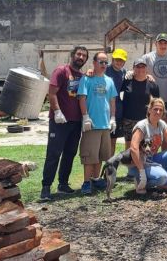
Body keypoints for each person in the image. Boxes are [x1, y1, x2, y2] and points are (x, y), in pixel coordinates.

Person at [40, 45, 89, 201]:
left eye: (84, 56)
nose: (81, 57)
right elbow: (52, 93)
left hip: (75, 122)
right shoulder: (61, 71)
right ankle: (46, 187)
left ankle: (63, 184)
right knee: (54, 153)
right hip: (60, 121)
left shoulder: (82, 77)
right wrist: (57, 111)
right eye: (78, 54)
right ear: (72, 55)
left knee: (69, 154)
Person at [78, 51, 118, 195]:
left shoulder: (109, 81)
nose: (103, 65)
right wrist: (85, 117)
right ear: (94, 63)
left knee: (101, 156)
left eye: (105, 62)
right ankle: (86, 182)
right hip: (92, 125)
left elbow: (112, 101)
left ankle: (95, 180)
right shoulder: (86, 79)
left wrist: (113, 118)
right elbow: (82, 98)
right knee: (89, 156)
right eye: (100, 62)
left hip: (105, 126)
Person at [130, 96, 167, 194]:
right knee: (162, 177)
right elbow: (133, 148)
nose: (158, 112)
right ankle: (140, 181)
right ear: (149, 110)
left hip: (152, 159)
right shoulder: (142, 126)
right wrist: (141, 170)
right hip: (138, 162)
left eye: (161, 110)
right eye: (155, 109)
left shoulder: (162, 124)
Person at [141, 33, 167, 128]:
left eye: (165, 43)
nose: (163, 45)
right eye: (160, 43)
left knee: (166, 129)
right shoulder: (146, 58)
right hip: (152, 100)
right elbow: (138, 72)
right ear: (156, 44)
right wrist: (146, 75)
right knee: (151, 128)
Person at [122, 59, 160, 144]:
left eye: (143, 67)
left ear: (146, 68)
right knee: (129, 146)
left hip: (144, 120)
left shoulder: (152, 84)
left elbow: (157, 103)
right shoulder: (127, 81)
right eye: (137, 67)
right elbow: (116, 94)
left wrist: (154, 118)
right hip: (128, 120)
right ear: (133, 68)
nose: (140, 69)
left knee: (144, 145)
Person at [106, 48, 128, 156]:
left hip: (117, 110)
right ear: (112, 59)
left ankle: (109, 167)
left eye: (122, 60)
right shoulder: (105, 69)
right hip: (104, 109)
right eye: (117, 59)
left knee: (112, 140)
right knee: (102, 141)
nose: (119, 62)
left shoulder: (124, 72)